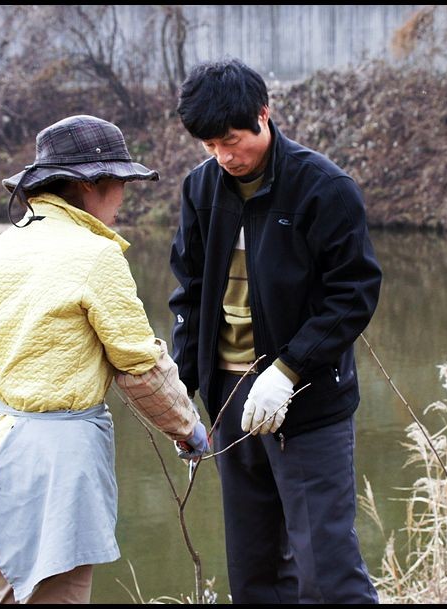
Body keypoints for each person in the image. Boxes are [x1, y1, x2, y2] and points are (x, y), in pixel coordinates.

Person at [0, 114, 209, 604]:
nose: (124, 197)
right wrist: (187, 427)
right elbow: (139, 369)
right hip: (61, 458)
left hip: (1, 448)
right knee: (58, 593)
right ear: (90, 184)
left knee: (12, 592)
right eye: (121, 183)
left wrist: (27, 374)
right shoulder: (96, 255)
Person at [169, 59, 382, 603]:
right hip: (229, 400)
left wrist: (289, 369)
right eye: (210, 145)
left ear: (263, 115)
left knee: (327, 572)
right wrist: (183, 390)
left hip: (306, 400)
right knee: (255, 571)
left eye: (231, 140)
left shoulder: (323, 188)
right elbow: (190, 292)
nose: (224, 156)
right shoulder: (201, 190)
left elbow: (352, 294)